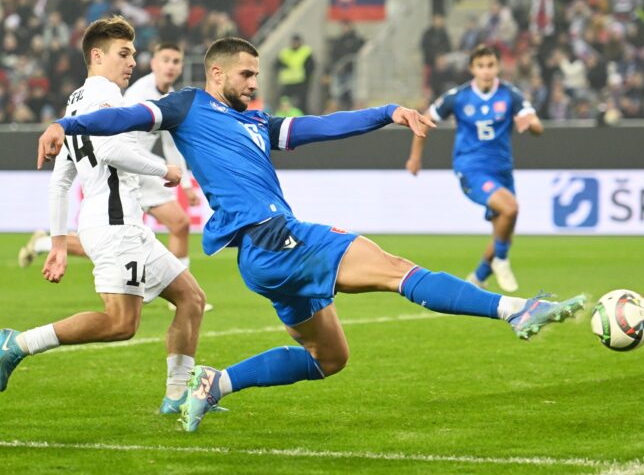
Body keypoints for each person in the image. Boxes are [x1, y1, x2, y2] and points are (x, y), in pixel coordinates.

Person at [36, 37, 585, 433]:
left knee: (329, 358)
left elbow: (323, 125)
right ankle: (515, 310)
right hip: (274, 237)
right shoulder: (186, 107)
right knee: (396, 269)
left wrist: (388, 113)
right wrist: (70, 125)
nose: (255, 83)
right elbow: (123, 118)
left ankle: (214, 384)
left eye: (257, 75)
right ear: (219, 74)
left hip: (265, 258)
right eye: (247, 75)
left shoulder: (258, 123)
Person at [0, 17, 209, 416]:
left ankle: (178, 396)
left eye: (132, 54)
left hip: (120, 223)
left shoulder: (75, 103)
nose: (132, 62)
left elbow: (61, 182)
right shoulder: (106, 94)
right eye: (123, 53)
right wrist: (166, 171)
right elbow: (110, 152)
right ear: (97, 55)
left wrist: (59, 243)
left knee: (192, 299)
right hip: (114, 225)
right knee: (120, 323)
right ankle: (20, 343)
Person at [17, 43, 200, 271]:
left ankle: (45, 243)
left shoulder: (169, 97)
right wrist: (162, 169)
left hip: (135, 170)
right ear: (153, 63)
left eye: (176, 61)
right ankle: (179, 288)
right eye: (165, 60)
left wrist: (185, 184)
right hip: (130, 168)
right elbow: (117, 146)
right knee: (165, 227)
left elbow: (170, 145)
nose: (171, 66)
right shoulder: (135, 94)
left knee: (123, 240)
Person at [405, 44, 544, 292]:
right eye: (481, 66)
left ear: (498, 67)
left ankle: (477, 279)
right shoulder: (458, 97)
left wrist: (530, 124)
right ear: (472, 68)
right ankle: (500, 261)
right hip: (471, 168)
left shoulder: (510, 95)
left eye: (490, 65)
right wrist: (415, 157)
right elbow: (424, 120)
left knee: (504, 231)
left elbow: (537, 127)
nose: (486, 71)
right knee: (510, 208)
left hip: (502, 169)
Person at [275, 34, 315, 114]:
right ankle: (283, 120)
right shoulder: (285, 52)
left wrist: (307, 80)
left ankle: (305, 119)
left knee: (302, 103)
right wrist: (283, 66)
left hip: (301, 82)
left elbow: (311, 66)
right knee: (284, 102)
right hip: (287, 82)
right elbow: (276, 64)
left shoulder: (305, 52)